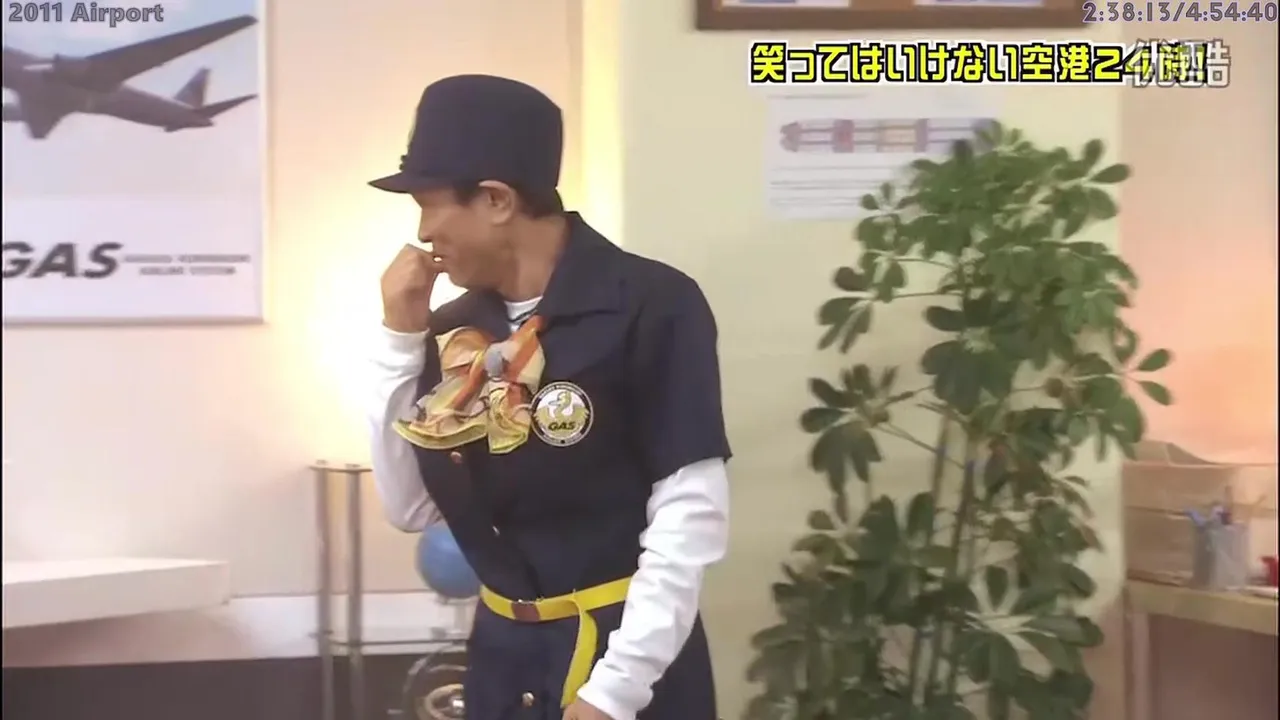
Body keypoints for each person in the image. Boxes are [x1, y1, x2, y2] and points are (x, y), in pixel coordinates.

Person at [365, 74, 732, 720]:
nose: (423, 233)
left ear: (496, 199)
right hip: (502, 666)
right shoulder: (455, 332)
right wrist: (399, 338)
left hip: (623, 667)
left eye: (429, 205)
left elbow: (690, 516)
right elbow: (410, 505)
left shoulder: (650, 305)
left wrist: (612, 693)